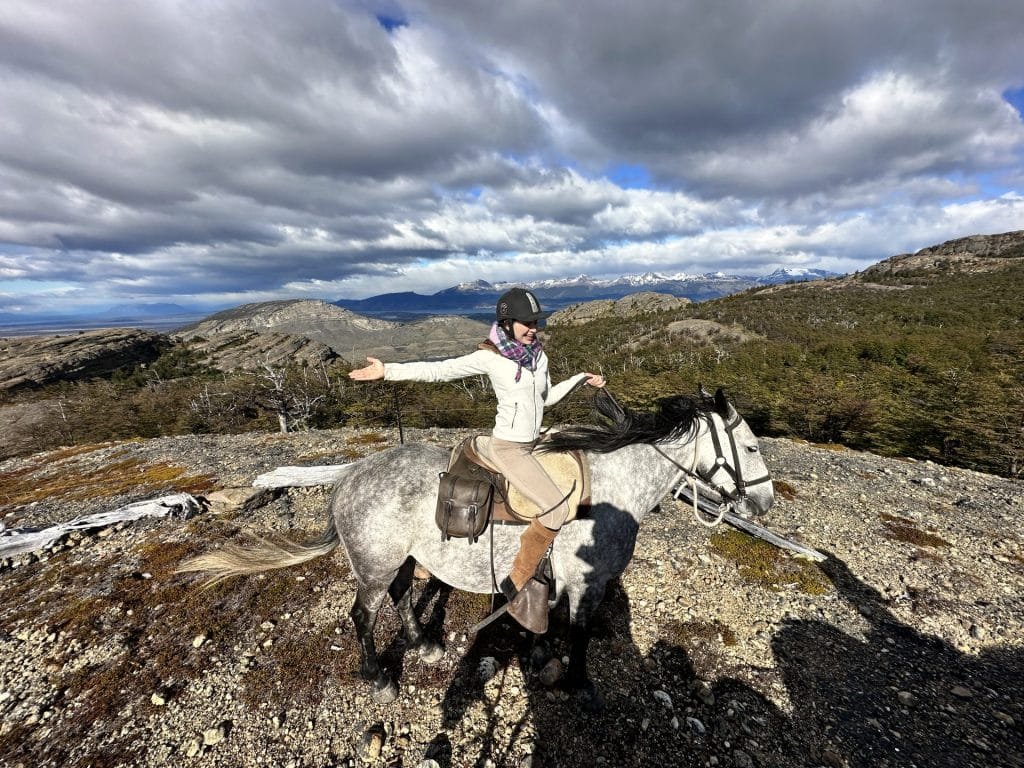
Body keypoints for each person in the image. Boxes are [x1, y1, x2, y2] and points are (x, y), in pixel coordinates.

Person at [349, 287, 605, 632]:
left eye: (535, 322)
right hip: (509, 448)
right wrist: (388, 371)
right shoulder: (490, 357)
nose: (533, 328)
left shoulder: (537, 356)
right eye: (526, 323)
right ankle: (517, 582)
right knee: (557, 509)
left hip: (535, 440)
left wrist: (579, 379)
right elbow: (440, 371)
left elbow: (546, 399)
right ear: (506, 322)